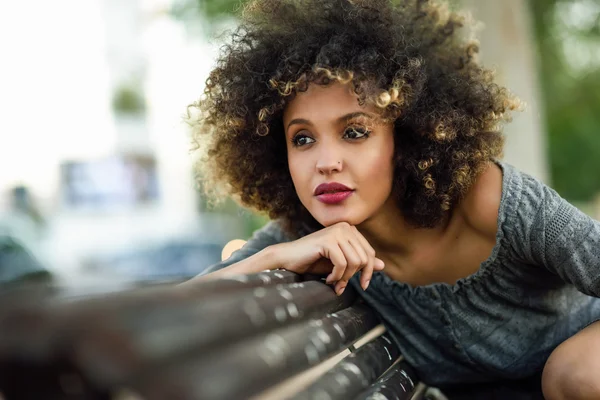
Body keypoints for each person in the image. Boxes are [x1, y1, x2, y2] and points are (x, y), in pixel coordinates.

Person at [184, 0, 600, 398]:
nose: (326, 163)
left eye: (354, 132)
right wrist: (274, 257)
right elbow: (178, 313)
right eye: (303, 138)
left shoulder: (490, 202)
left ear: (405, 137)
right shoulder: (308, 235)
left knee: (574, 375)